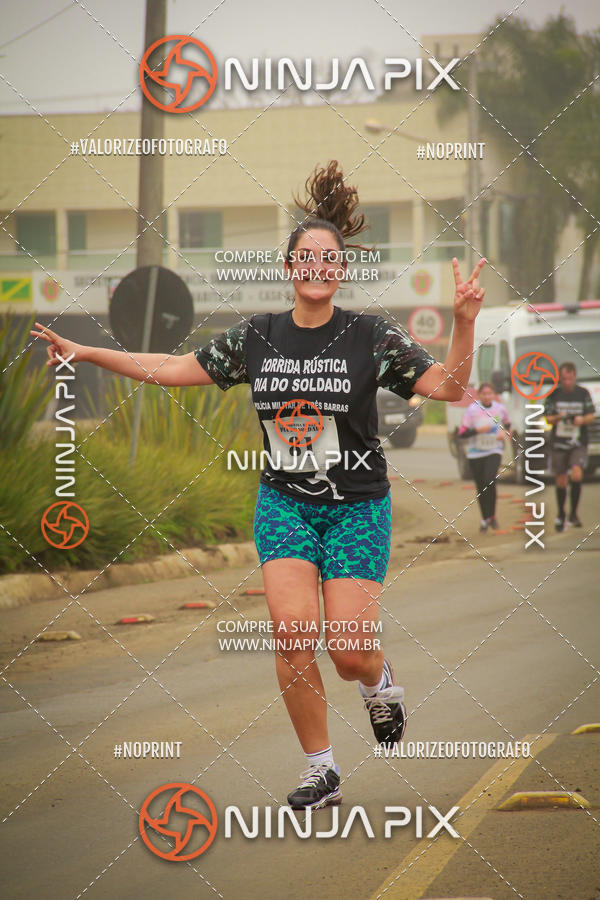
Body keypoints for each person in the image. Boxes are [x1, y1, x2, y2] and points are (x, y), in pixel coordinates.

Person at [31, 160, 486, 811]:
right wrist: (89, 351)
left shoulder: (371, 336)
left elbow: (451, 388)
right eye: (307, 258)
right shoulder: (258, 338)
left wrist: (464, 322)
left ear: (342, 270)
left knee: (348, 652)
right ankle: (320, 769)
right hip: (285, 506)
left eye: (330, 260)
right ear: (289, 266)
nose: (318, 268)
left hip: (357, 507)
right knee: (293, 633)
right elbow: (166, 366)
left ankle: (377, 680)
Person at [544, 361, 595, 531]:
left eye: (570, 379)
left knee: (577, 474)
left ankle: (573, 513)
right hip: (559, 442)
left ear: (574, 377)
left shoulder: (583, 393)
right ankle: (561, 513)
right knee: (560, 480)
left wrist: (582, 420)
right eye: (564, 379)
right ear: (560, 378)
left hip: (578, 442)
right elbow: (548, 418)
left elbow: (591, 416)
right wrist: (560, 417)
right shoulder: (554, 394)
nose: (567, 382)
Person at [458, 382, 511, 531]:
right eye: (484, 394)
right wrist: (477, 430)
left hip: (494, 450)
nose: (487, 396)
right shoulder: (472, 410)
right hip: (476, 453)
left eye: (490, 393)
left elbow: (508, 424)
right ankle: (485, 518)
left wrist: (505, 433)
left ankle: (492, 517)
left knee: (490, 479)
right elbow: (462, 434)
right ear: (479, 395)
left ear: (494, 395)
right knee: (481, 486)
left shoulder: (499, 409)